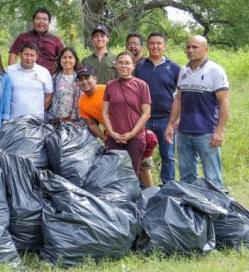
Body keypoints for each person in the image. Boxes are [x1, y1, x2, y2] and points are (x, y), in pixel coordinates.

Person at [165, 35, 230, 188]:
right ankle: (191, 209)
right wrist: (170, 125)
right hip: (184, 132)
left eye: (195, 47)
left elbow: (224, 102)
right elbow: (178, 99)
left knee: (212, 176)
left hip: (206, 132)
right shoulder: (183, 70)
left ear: (206, 49)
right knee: (186, 176)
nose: (190, 50)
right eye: (188, 47)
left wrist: (219, 130)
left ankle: (216, 208)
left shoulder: (215, 71)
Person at [134, 32, 182, 184]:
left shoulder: (174, 68)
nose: (155, 46)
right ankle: (143, 186)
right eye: (152, 43)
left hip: (166, 120)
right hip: (143, 119)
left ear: (164, 46)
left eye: (158, 43)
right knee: (141, 154)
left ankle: (168, 186)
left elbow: (181, 96)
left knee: (167, 155)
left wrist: (177, 119)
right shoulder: (139, 67)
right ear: (147, 46)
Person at [102, 51, 151, 181]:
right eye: (121, 63)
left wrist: (132, 133)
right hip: (114, 137)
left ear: (133, 66)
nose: (124, 66)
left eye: (127, 63)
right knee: (113, 174)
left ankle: (131, 200)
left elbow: (146, 113)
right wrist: (111, 133)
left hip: (135, 137)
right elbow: (105, 112)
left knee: (131, 174)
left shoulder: (141, 85)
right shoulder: (110, 85)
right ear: (116, 65)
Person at [8, 7, 64, 74]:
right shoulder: (22, 37)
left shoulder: (56, 40)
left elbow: (64, 58)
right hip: (26, 76)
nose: (41, 21)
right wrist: (12, 74)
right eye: (38, 18)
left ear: (49, 22)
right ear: (33, 20)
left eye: (44, 19)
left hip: (50, 77)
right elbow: (13, 56)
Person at [6, 43, 53, 119]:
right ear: (20, 55)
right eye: (26, 54)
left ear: (36, 57)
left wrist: (37, 110)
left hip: (36, 120)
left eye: (32, 55)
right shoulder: (9, 71)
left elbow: (49, 96)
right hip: (13, 119)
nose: (29, 58)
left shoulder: (44, 72)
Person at [46, 47, 82, 124]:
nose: (67, 60)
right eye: (64, 57)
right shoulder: (54, 78)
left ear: (75, 60)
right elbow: (48, 98)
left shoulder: (81, 79)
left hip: (75, 121)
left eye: (70, 57)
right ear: (60, 60)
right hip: (56, 120)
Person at [76, 67, 107, 140]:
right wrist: (105, 139)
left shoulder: (106, 90)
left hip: (129, 128)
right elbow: (91, 124)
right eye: (81, 79)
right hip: (111, 134)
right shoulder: (82, 102)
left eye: (87, 77)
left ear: (95, 79)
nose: (84, 81)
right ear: (77, 83)